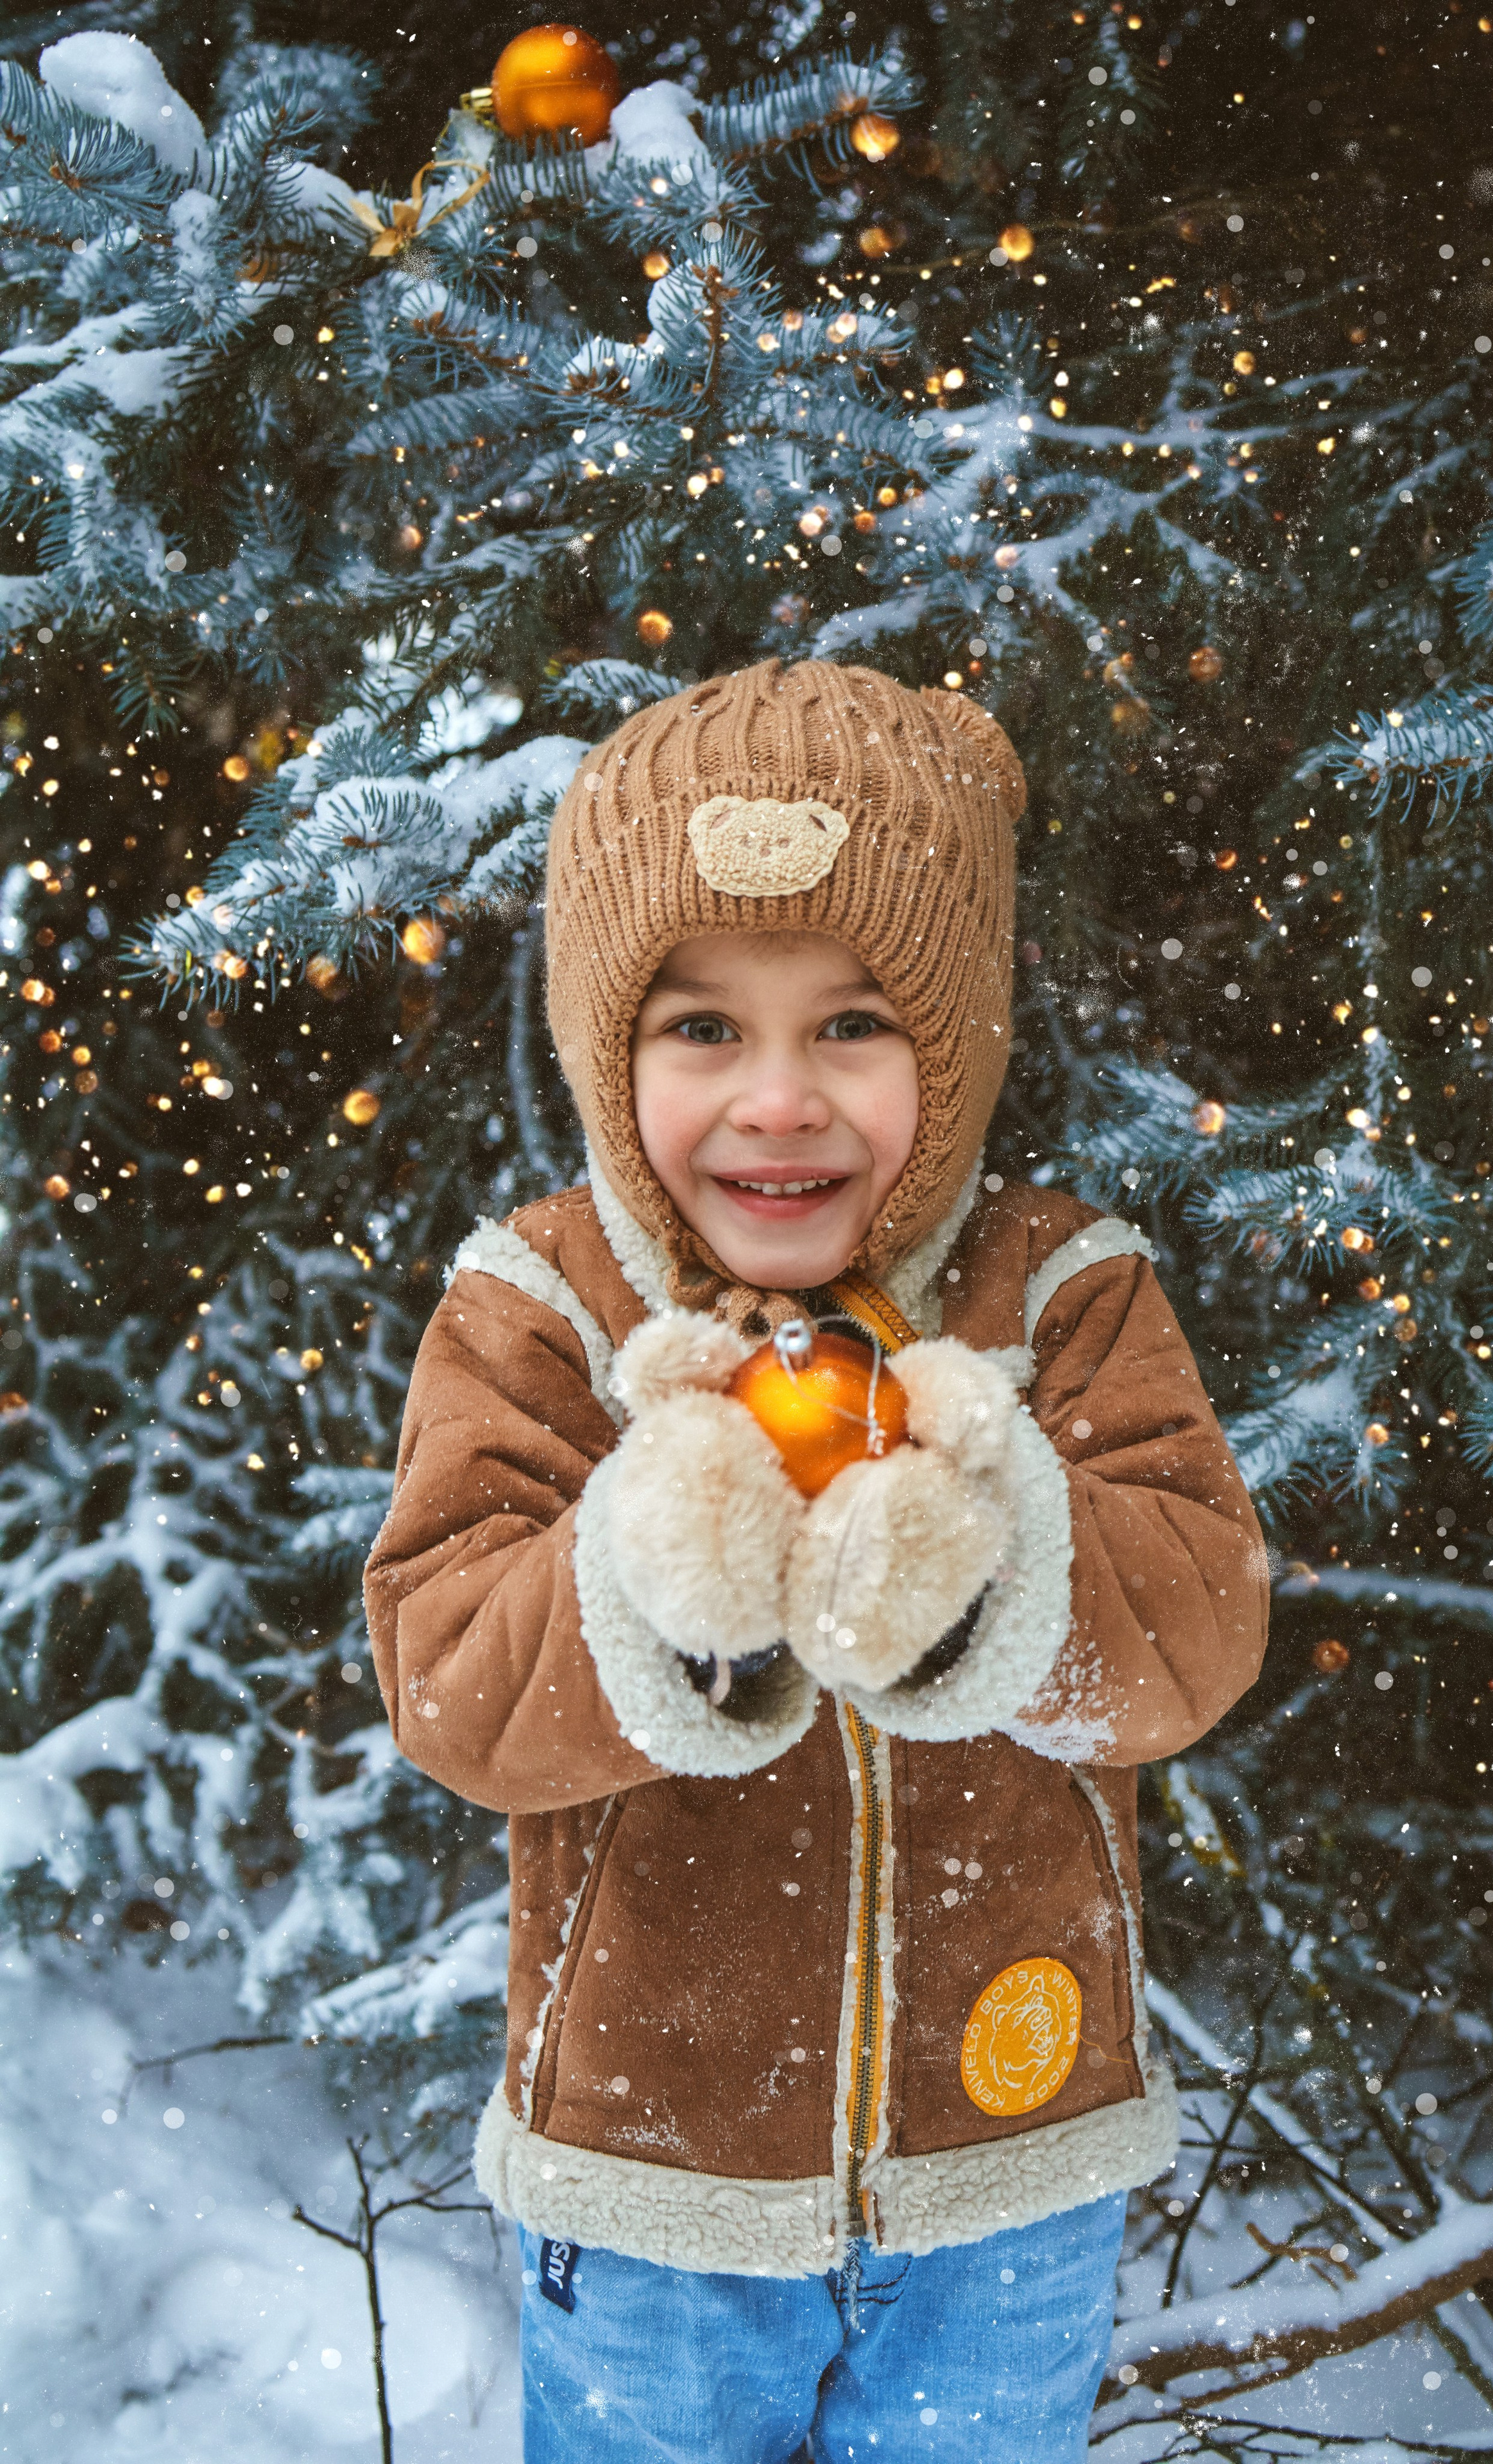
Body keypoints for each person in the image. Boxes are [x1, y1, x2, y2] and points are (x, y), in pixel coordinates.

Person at [364, 658, 1268, 2462]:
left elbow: (1193, 1629)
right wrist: (647, 1586)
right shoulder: (539, 1305)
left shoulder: (1064, 1290)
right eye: (703, 1029)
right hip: (655, 2183)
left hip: (1009, 2168)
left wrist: (992, 1566)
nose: (778, 1101)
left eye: (852, 1023)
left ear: (962, 1039)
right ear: (604, 1045)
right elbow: (453, 1673)